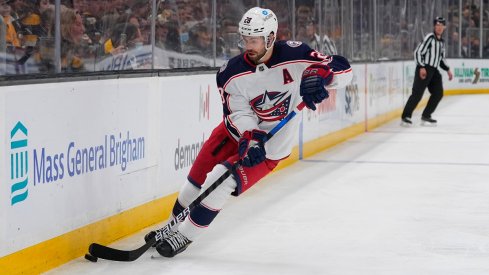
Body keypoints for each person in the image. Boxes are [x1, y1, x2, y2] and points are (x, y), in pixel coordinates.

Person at [147, 7, 352, 258]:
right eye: (244, 39)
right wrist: (250, 137)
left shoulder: (295, 54)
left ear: (270, 38)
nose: (247, 46)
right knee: (194, 181)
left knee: (222, 179)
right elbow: (238, 113)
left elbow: (342, 68)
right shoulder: (230, 73)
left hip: (272, 147)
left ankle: (184, 235)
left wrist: (320, 77)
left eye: (253, 40)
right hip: (234, 133)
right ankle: (172, 226)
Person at [401, 17, 453, 126]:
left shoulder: (442, 42)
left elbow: (441, 60)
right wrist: (421, 67)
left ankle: (426, 115)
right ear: (434, 26)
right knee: (417, 94)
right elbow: (418, 52)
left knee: (438, 93)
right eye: (437, 25)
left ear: (444, 27)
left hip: (434, 71)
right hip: (425, 69)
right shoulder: (430, 38)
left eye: (441, 25)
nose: (439, 27)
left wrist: (448, 69)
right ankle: (405, 116)